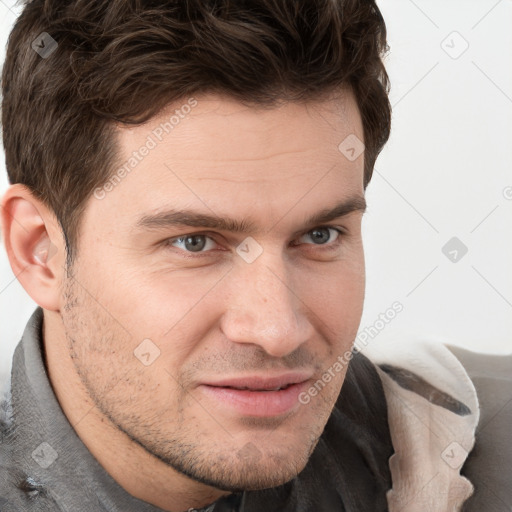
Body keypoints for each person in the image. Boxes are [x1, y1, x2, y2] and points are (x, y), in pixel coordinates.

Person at [0, 1, 510, 511]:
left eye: (320, 235)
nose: (277, 329)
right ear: (39, 251)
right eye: (195, 242)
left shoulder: (492, 446)